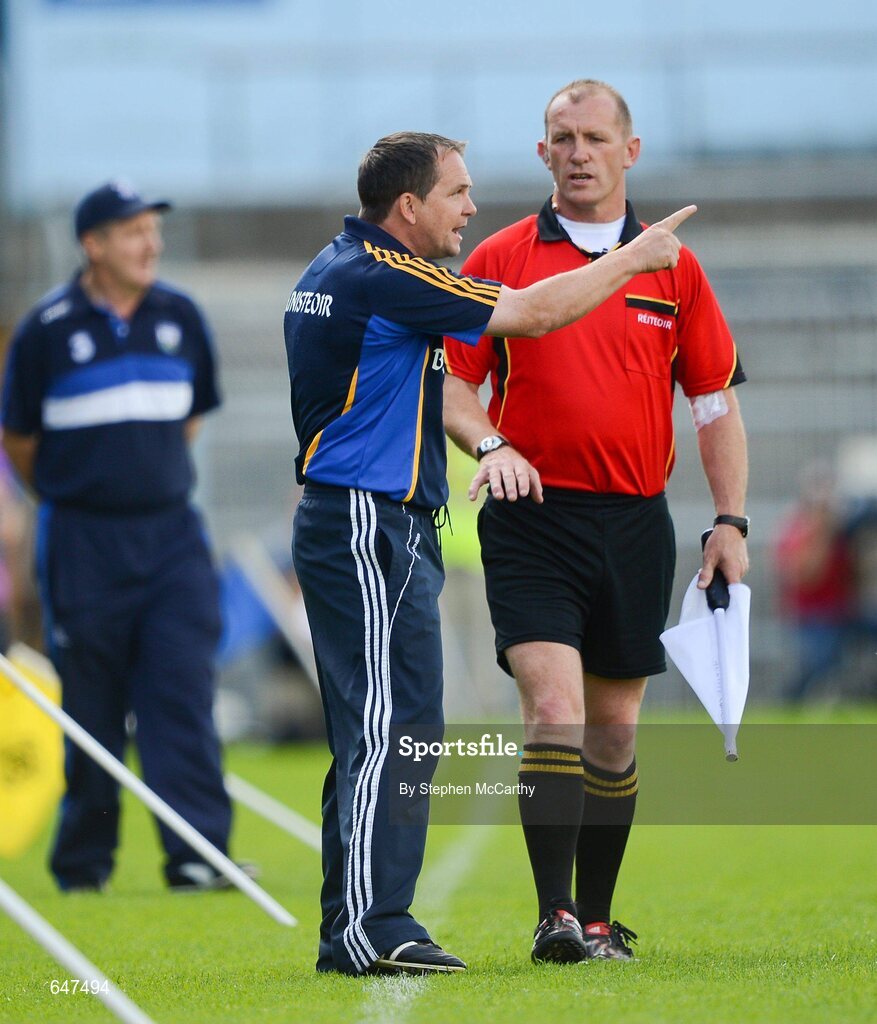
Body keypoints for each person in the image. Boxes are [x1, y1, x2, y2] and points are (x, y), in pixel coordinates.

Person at [285, 130, 695, 976]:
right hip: (366, 523)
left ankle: (360, 921)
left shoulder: (336, 267)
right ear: (408, 208)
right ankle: (369, 925)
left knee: (395, 727)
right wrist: (635, 256)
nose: (471, 208)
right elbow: (534, 312)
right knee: (387, 729)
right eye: (456, 193)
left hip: (368, 523)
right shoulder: (386, 274)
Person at [443, 80, 750, 964]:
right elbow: (454, 385)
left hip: (634, 521)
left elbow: (712, 401)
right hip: (529, 517)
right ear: (541, 153)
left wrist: (728, 519)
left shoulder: (674, 266)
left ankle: (602, 917)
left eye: (591, 137)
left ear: (629, 150)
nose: (575, 152)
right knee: (552, 712)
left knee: (614, 734)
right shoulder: (500, 255)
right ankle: (554, 916)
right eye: (559, 137)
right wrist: (492, 445)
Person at [1, 181, 238, 893]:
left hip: (171, 536)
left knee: (180, 691)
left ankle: (197, 853)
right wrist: (84, 493)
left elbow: (190, 418)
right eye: (131, 231)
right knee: (92, 703)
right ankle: (83, 863)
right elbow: (18, 440)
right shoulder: (47, 327)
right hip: (83, 539)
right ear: (93, 244)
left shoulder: (180, 315)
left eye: (153, 230)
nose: (150, 244)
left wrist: (142, 480)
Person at [774, 461, 854, 702]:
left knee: (831, 664)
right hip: (812, 613)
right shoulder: (797, 528)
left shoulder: (845, 528)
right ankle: (790, 705)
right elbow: (806, 575)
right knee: (815, 666)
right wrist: (822, 530)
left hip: (842, 611)